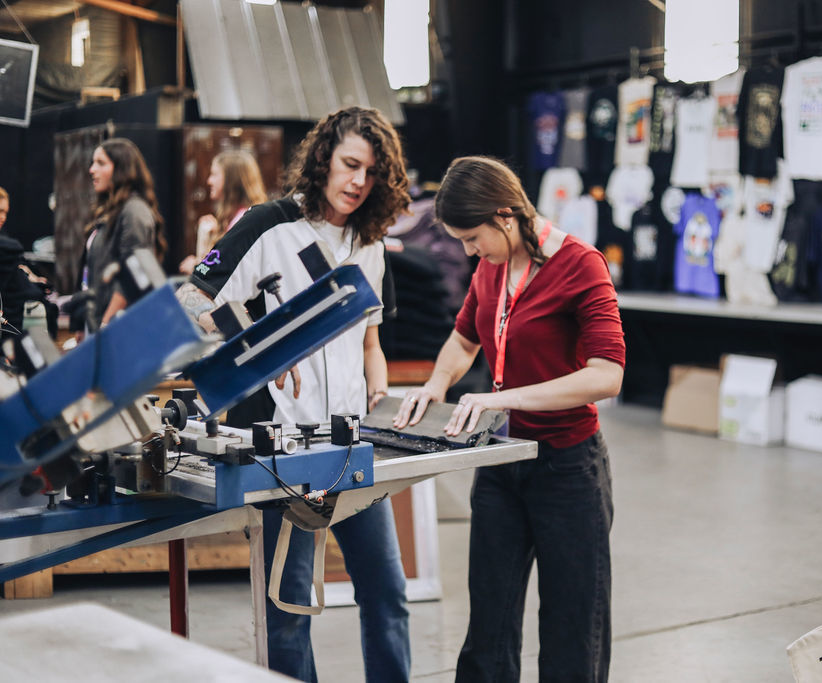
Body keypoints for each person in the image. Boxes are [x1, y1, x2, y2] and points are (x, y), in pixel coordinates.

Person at [176, 107, 411, 682]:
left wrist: (377, 375)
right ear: (324, 158)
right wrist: (260, 346)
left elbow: (370, 338)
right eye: (350, 164)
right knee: (288, 611)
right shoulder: (266, 224)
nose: (358, 181)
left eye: (372, 173)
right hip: (280, 449)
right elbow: (190, 300)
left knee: (386, 593)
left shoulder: (370, 243)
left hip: (352, 446)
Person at [393, 156, 625, 682]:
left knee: (572, 627)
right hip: (499, 465)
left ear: (505, 215)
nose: (469, 251)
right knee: (489, 625)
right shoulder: (491, 267)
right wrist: (435, 386)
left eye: (473, 237)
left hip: (568, 468)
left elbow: (607, 375)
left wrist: (506, 399)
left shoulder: (580, 264)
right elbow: (463, 338)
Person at [82, 138, 166, 329]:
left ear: (122, 169)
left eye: (101, 163)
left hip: (119, 325)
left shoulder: (134, 210)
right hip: (100, 322)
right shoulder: (109, 212)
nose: (92, 169)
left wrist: (106, 323)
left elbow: (133, 273)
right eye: (93, 163)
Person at [179, 149, 267, 274]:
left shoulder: (241, 221)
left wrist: (195, 267)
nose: (209, 181)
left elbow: (223, 274)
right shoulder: (244, 217)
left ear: (231, 180)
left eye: (214, 174)